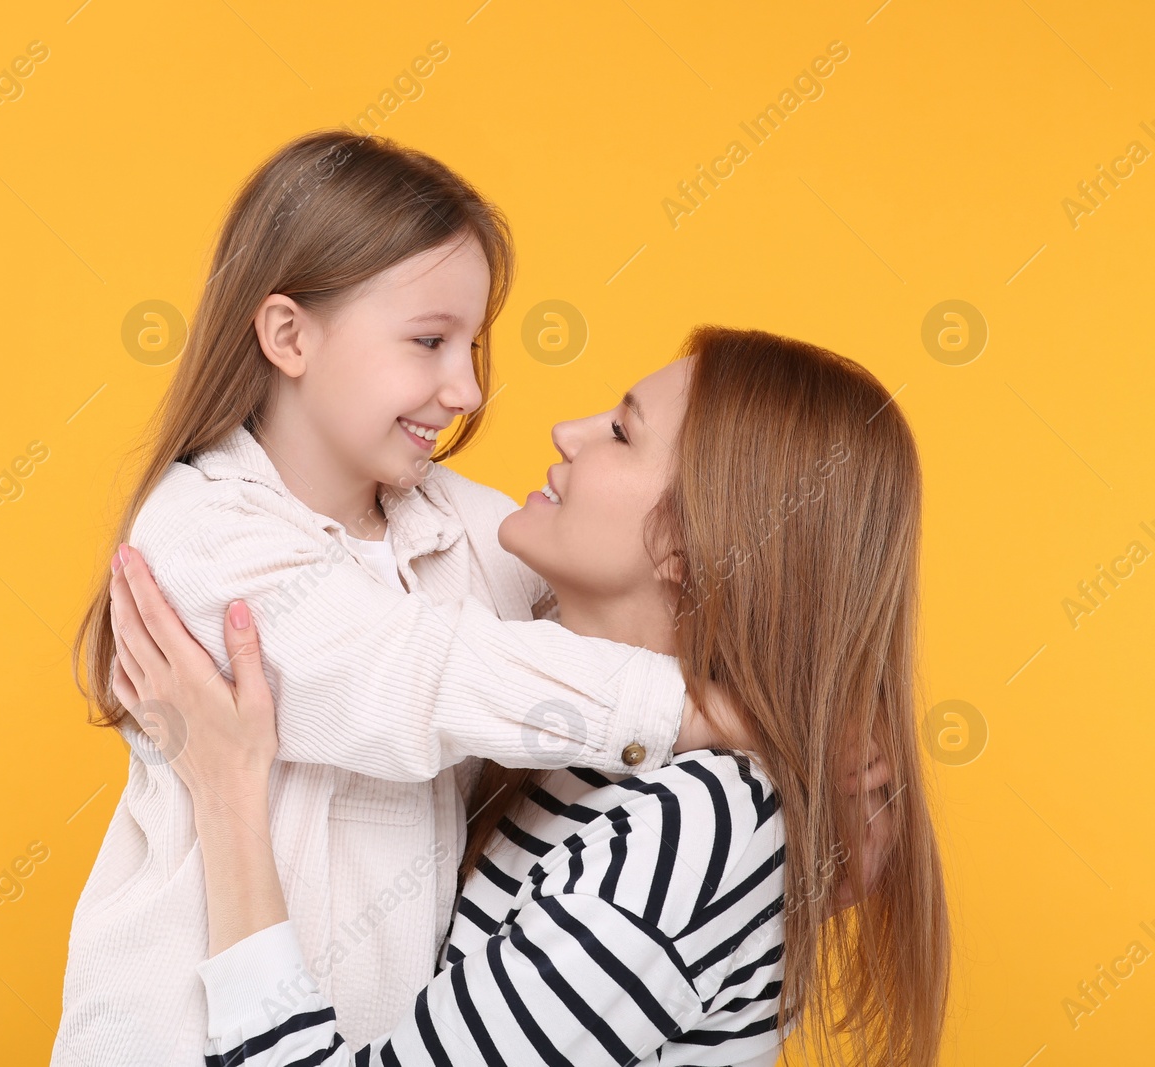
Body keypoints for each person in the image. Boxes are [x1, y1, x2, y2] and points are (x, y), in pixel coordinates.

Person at [54, 128, 887, 1066]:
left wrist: (824, 744)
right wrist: (698, 709)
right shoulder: (203, 533)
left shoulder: (452, 531)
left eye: (472, 344)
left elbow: (622, 601)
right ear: (289, 335)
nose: (469, 388)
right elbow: (407, 674)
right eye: (428, 342)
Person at [109, 326, 950, 1066]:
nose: (566, 431)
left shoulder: (700, 823)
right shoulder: (573, 742)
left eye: (621, 432)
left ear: (693, 546)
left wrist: (227, 794)